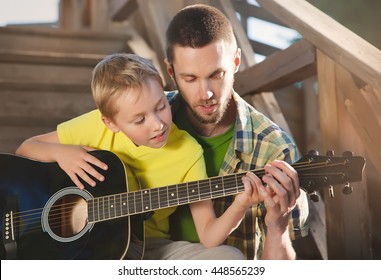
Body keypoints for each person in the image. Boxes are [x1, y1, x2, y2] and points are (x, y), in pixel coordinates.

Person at [15, 53, 263, 260]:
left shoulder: (188, 151)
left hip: (149, 248)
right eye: (139, 119)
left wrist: (240, 204)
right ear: (110, 122)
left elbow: (209, 235)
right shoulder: (93, 126)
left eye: (161, 107)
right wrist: (61, 153)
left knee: (229, 258)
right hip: (80, 253)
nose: (157, 125)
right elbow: (26, 148)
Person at [164, 4, 309, 260]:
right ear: (170, 71)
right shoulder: (143, 118)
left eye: (216, 74)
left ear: (235, 62)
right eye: (190, 79)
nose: (206, 93)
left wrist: (278, 228)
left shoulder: (275, 149)